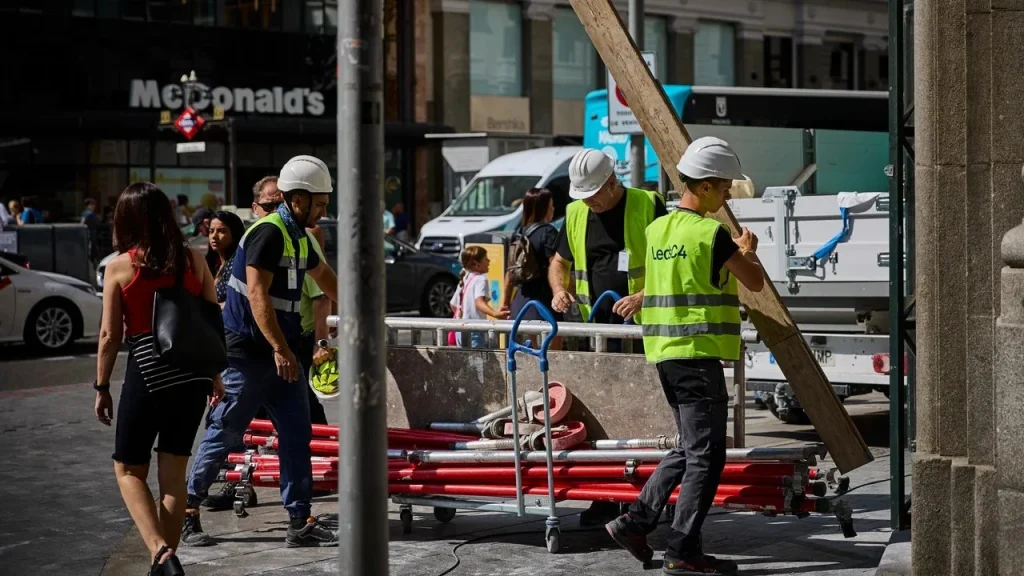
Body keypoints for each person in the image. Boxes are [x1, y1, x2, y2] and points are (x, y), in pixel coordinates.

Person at [605, 137, 765, 576]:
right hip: (698, 355)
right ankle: (681, 548)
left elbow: (662, 284)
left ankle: (634, 522)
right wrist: (747, 250)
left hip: (666, 356)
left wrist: (640, 297)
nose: (729, 193)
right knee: (706, 456)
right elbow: (753, 281)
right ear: (708, 186)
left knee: (691, 448)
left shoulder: (658, 230)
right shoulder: (709, 233)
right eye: (727, 186)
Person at [181, 157, 339, 547]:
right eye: (319, 203)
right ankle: (187, 513)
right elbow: (257, 296)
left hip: (278, 352)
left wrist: (365, 313)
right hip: (249, 354)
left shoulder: (300, 236)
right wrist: (281, 349)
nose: (324, 212)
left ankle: (299, 521)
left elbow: (326, 279)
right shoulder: (268, 234)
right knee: (226, 430)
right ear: (298, 199)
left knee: (296, 433)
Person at [93, 182, 225, 576]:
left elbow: (109, 336)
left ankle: (160, 554)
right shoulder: (193, 258)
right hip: (192, 378)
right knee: (173, 477)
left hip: (148, 374)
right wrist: (214, 375)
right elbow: (209, 321)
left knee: (128, 469)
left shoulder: (120, 266)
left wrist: (101, 387)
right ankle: (162, 569)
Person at [547, 148, 667, 526]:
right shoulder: (577, 214)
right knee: (598, 417)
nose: (590, 202)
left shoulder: (649, 205)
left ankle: (649, 496)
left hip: (644, 334)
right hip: (594, 336)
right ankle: (603, 495)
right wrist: (558, 291)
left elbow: (672, 263)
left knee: (643, 416)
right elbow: (558, 263)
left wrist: (643, 296)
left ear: (613, 181)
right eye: (583, 196)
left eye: (595, 194)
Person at [501, 188, 562, 348]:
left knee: (529, 351)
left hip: (521, 301)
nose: (553, 209)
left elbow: (510, 272)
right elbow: (556, 265)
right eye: (551, 205)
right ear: (543, 208)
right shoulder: (548, 232)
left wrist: (505, 301)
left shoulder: (518, 234)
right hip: (545, 300)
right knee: (554, 352)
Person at [449, 246, 508, 347]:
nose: (489, 261)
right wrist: (496, 314)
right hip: (474, 330)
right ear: (477, 264)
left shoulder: (465, 277)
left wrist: (464, 314)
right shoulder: (481, 279)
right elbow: (479, 302)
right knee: (478, 361)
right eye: (486, 259)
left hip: (460, 330)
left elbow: (453, 305)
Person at [208, 211, 245, 307]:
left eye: (221, 231)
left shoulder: (237, 263)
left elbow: (238, 302)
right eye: (211, 231)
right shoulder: (216, 262)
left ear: (234, 234)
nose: (214, 236)